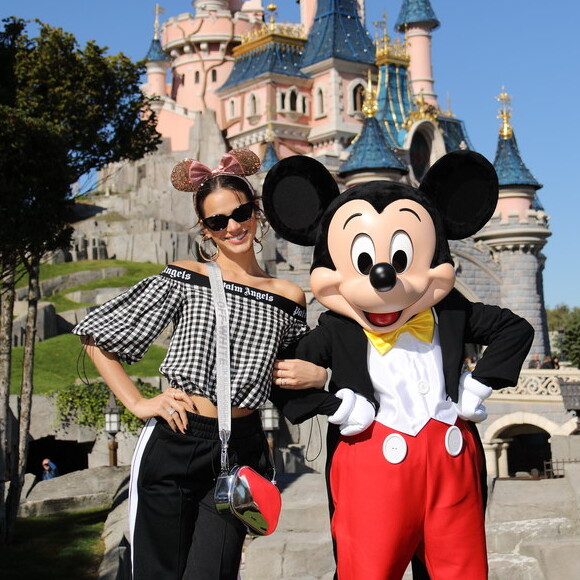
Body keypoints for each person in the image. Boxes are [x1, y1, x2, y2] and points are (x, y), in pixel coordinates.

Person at [72, 149, 326, 580]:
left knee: (215, 573)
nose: (233, 226)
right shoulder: (186, 276)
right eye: (217, 221)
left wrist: (321, 375)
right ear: (205, 230)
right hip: (177, 439)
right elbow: (97, 335)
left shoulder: (289, 295)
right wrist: (137, 403)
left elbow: (289, 374)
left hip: (240, 452)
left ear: (256, 211)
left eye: (240, 212)